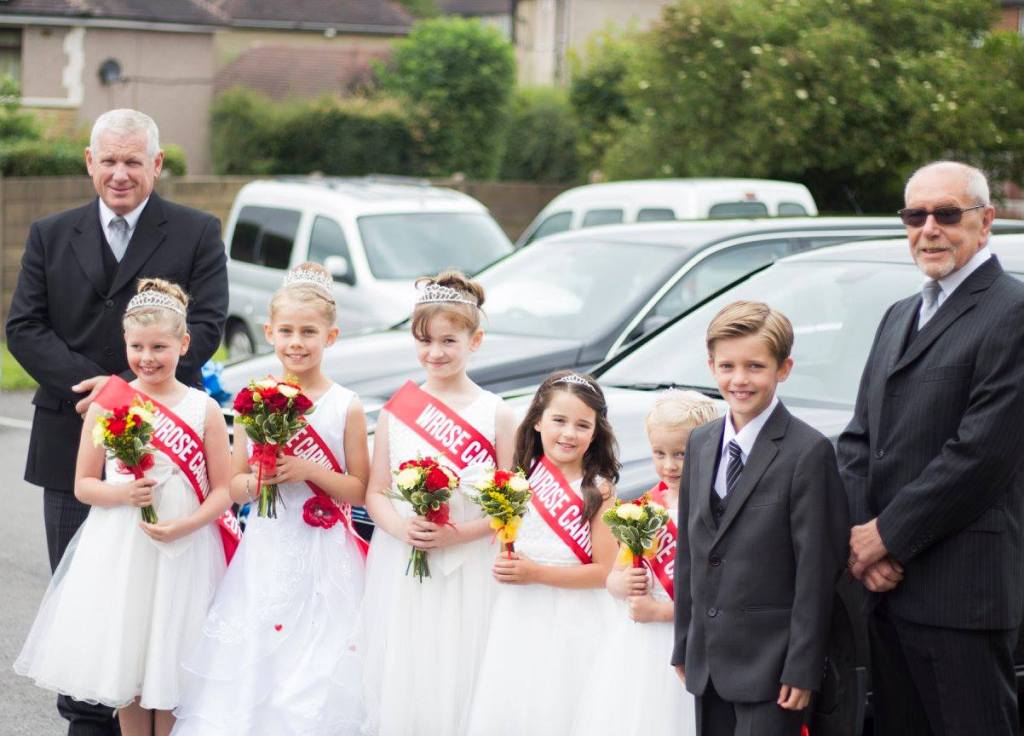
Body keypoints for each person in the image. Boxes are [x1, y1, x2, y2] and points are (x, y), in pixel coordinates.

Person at [4, 107, 226, 735]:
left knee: (157, 612)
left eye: (134, 161)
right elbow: (24, 327)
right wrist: (100, 388)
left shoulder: (197, 231)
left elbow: (207, 324)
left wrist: (126, 389)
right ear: (89, 162)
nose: (120, 173)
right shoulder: (51, 233)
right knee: (85, 600)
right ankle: (86, 721)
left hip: (170, 463)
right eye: (109, 160)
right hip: (68, 441)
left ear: (157, 163)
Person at [837, 161, 1024, 735]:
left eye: (946, 214)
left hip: (962, 595)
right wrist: (863, 546)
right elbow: (859, 440)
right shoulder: (899, 316)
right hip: (886, 592)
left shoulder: (1012, 312)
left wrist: (886, 538)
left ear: (985, 222)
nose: (929, 229)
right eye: (915, 216)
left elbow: (981, 455)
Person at [15, 279, 233, 736]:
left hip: (185, 552)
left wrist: (188, 524)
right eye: (137, 347)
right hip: (123, 549)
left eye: (160, 346)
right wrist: (124, 495)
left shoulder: (204, 409)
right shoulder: (108, 404)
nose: (147, 357)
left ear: (184, 344)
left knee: (171, 663)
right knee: (129, 665)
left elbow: (223, 490)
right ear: (125, 343)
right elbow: (83, 486)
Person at [172, 262, 370, 735]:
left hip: (325, 556)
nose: (296, 342)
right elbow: (234, 485)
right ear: (269, 333)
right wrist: (258, 481)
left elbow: (359, 489)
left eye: (309, 332)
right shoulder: (253, 401)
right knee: (256, 663)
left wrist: (309, 471)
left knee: (315, 665)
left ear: (331, 336)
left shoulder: (347, 406)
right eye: (286, 331)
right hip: (267, 549)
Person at [671, 301, 848, 736]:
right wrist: (685, 643)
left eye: (755, 366)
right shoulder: (700, 443)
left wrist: (802, 665)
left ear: (783, 368)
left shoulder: (808, 452)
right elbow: (690, 553)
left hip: (773, 667)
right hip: (709, 661)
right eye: (727, 366)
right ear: (711, 366)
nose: (740, 379)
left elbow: (817, 570)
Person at [361, 271, 516, 736]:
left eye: (449, 341)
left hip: (471, 566)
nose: (435, 352)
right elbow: (376, 491)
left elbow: (511, 505)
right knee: (411, 665)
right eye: (425, 340)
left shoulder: (497, 413)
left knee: (465, 661)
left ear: (475, 341)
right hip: (407, 562)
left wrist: (459, 534)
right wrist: (400, 528)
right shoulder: (396, 412)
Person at [466, 370, 620, 736]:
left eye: (582, 425)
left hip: (577, 619)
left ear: (595, 433)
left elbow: (606, 572)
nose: (569, 433)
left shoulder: (599, 491)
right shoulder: (516, 481)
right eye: (559, 421)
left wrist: (538, 574)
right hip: (518, 615)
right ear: (537, 421)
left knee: (565, 706)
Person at [572, 390, 718, 736]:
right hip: (641, 644)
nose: (669, 465)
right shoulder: (644, 507)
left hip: (689, 636)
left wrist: (661, 611)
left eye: (681, 454)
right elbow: (615, 575)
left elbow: (719, 591)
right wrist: (620, 585)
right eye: (659, 453)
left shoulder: (714, 510)